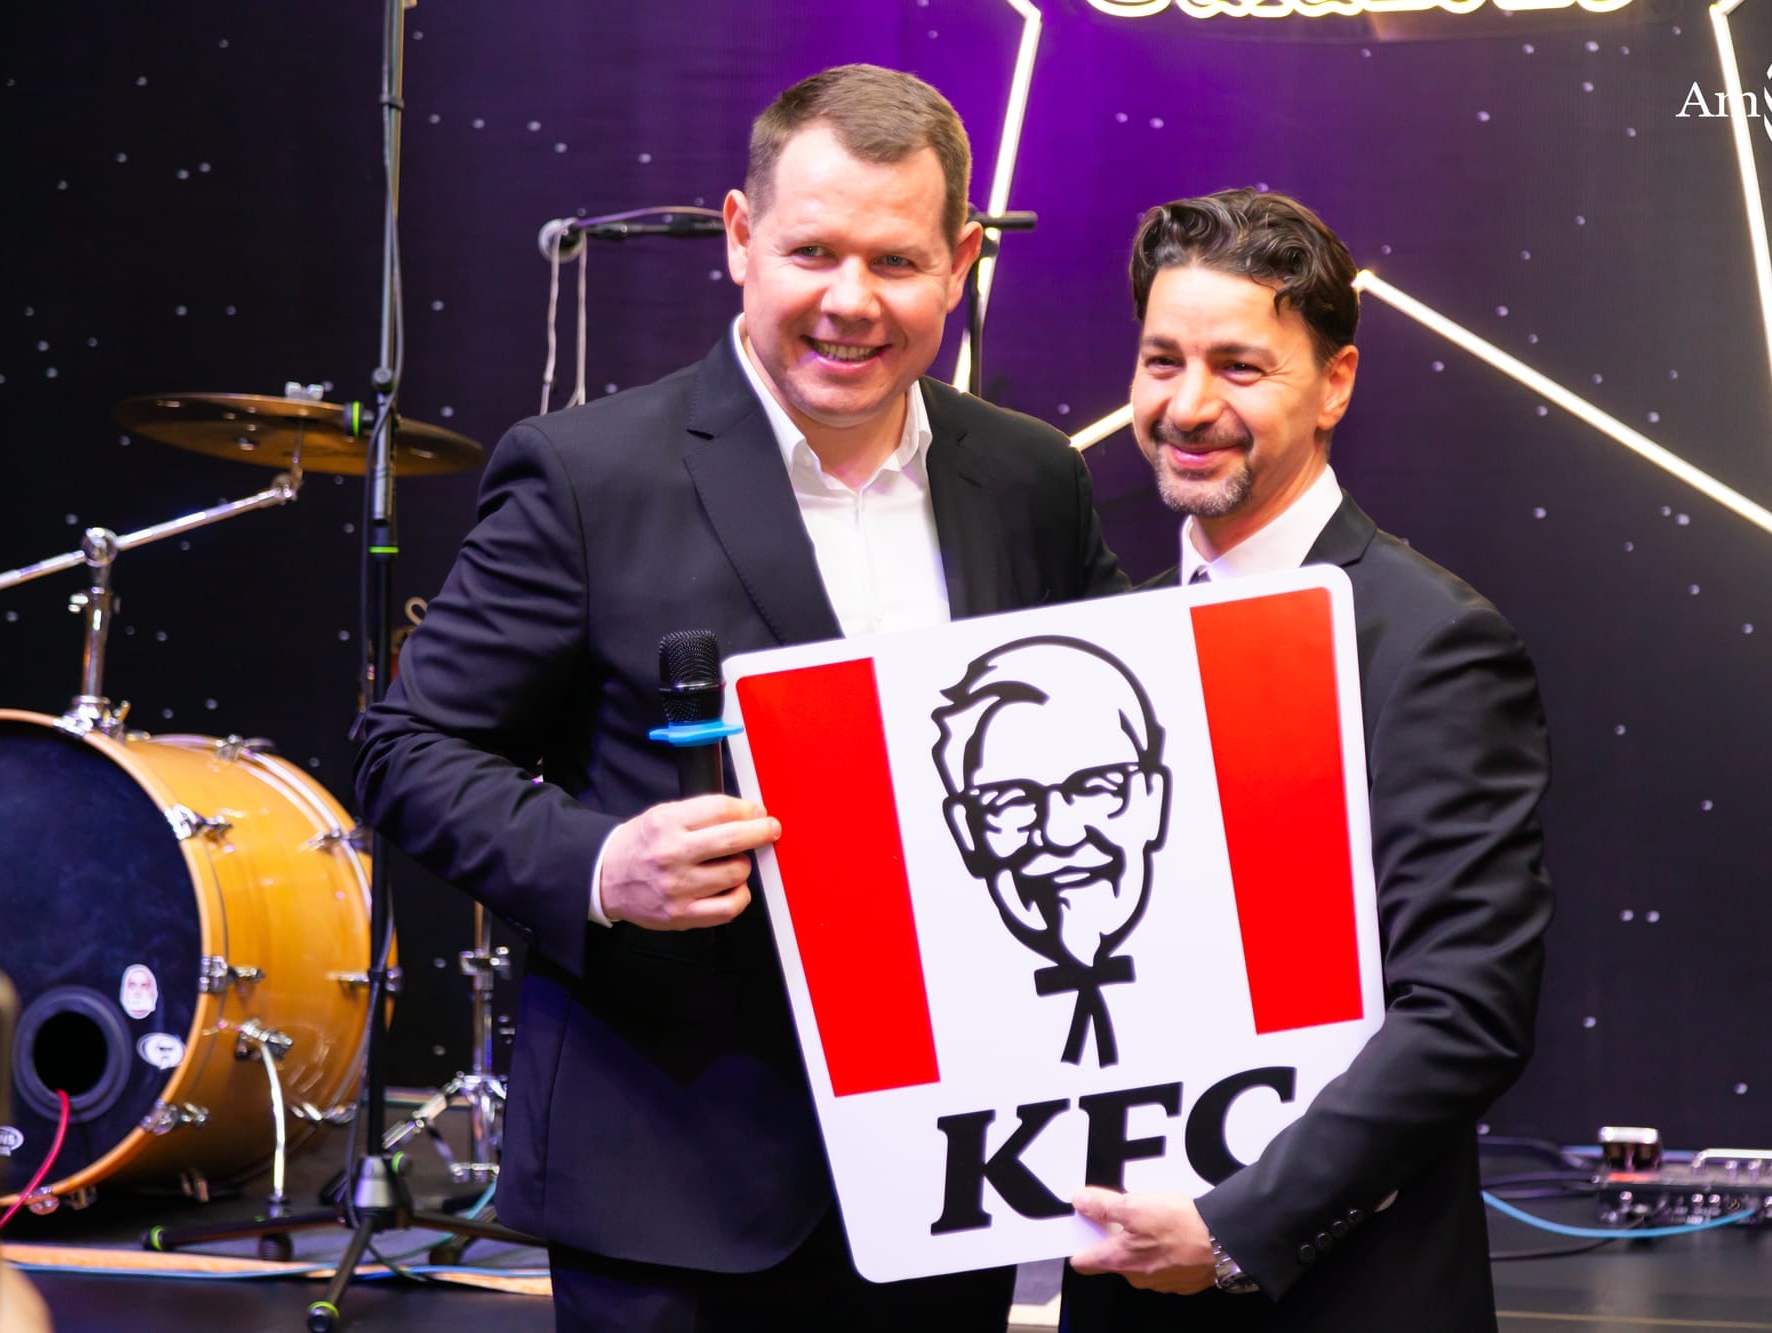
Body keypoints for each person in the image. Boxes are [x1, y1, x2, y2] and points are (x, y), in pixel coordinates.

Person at [354, 64, 1125, 1332]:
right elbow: (405, 749)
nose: (849, 301)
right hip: (673, 1180)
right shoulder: (587, 473)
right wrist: (603, 864)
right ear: (737, 237)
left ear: (959, 264)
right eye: (811, 251)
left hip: (953, 1173)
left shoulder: (1031, 476)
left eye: (895, 261)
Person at [1061, 189, 1553, 1331]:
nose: (1188, 406)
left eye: (1239, 367)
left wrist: (1234, 1226)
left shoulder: (1431, 640)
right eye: (1161, 361)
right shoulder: (1103, 645)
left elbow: (1465, 1008)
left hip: (1341, 1296)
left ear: (1334, 383)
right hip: (1121, 1287)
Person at [932, 636, 1171, 1067]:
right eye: (1010, 801)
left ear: (1153, 800)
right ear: (966, 831)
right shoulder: (951, 1026)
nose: (1059, 834)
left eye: (1097, 787)